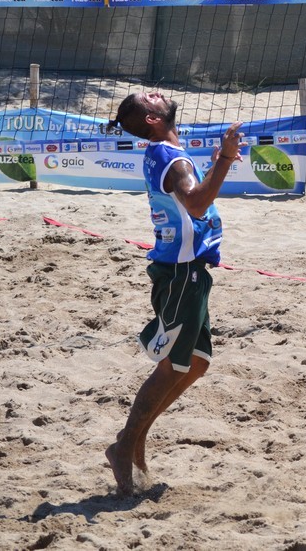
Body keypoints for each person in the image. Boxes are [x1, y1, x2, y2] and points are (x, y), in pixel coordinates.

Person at [104, 91, 242, 495]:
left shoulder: (164, 152)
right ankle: (124, 446)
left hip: (187, 268)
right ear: (152, 118)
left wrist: (216, 163)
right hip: (183, 271)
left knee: (196, 363)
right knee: (172, 367)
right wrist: (225, 159)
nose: (158, 94)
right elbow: (196, 205)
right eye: (150, 97)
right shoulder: (171, 158)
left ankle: (136, 436)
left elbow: (191, 203)